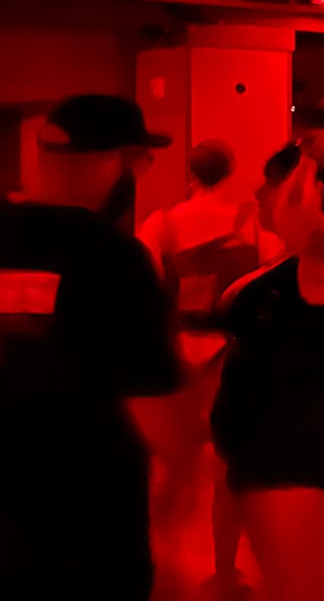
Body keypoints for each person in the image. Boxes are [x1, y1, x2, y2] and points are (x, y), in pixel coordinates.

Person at [0, 95, 180, 600]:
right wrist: (180, 480)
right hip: (86, 522)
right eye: (141, 160)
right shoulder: (115, 259)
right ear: (113, 162)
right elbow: (154, 408)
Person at [211, 149, 324, 601]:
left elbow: (310, 229)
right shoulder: (282, 264)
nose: (259, 193)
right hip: (257, 455)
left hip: (293, 456)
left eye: (271, 184)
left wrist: (304, 174)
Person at [139, 139, 274, 593]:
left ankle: (163, 555)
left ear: (190, 173)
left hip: (178, 347)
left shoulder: (163, 224)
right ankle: (225, 565)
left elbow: (145, 288)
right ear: (231, 170)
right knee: (229, 461)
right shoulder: (251, 222)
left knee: (175, 460)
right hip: (235, 350)